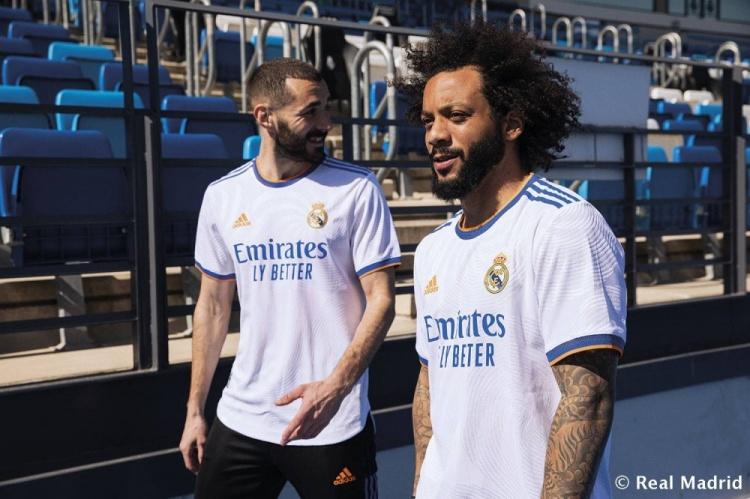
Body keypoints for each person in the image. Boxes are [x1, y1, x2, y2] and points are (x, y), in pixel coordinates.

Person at [394, 22, 626, 498]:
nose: (436, 135)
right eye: (428, 120)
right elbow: (429, 390)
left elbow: (588, 397)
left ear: (511, 124)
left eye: (457, 116)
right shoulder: (433, 248)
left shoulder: (563, 225)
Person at [179, 58, 400, 499]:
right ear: (264, 116)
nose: (326, 123)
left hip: (332, 423)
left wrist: (335, 389)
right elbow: (213, 306)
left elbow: (382, 300)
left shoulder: (357, 189)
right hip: (243, 417)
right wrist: (195, 410)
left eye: (326, 108)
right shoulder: (223, 196)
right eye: (310, 112)